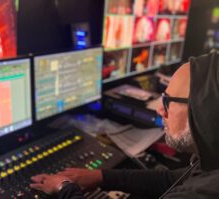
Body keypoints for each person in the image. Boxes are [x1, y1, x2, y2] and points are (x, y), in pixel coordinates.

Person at [30, 51, 219, 198]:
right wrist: (101, 176)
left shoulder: (203, 193)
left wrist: (64, 188)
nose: (160, 110)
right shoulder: (211, 165)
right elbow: (173, 179)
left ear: (205, 110)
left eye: (168, 100)